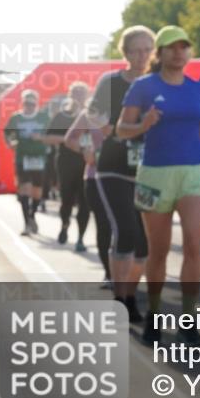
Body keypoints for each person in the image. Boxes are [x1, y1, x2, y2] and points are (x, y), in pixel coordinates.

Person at [117, 25, 200, 347]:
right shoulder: (143, 87)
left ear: (189, 52)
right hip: (155, 174)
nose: (178, 52)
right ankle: (155, 315)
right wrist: (142, 125)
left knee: (194, 243)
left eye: (184, 46)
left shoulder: (198, 89)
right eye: (171, 47)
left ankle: (188, 319)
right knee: (158, 250)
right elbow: (122, 129)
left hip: (194, 173)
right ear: (161, 52)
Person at [90, 26, 155, 321]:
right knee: (125, 230)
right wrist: (110, 131)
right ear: (125, 53)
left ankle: (129, 293)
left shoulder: (158, 82)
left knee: (145, 243)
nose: (141, 56)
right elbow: (93, 113)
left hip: (148, 169)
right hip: (114, 167)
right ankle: (120, 299)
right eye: (135, 50)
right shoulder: (112, 81)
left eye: (146, 49)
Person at [65, 100, 112, 286]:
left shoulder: (131, 107)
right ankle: (110, 273)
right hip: (95, 176)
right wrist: (85, 149)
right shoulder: (90, 113)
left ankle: (128, 269)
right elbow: (70, 139)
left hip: (128, 177)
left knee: (128, 227)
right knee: (104, 225)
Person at [41, 81, 91, 250]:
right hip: (66, 161)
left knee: (85, 201)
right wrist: (69, 140)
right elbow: (47, 138)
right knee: (67, 199)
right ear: (70, 95)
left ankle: (81, 239)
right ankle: (64, 226)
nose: (78, 96)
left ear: (87, 95)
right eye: (75, 93)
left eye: (81, 93)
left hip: (86, 162)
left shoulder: (92, 115)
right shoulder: (62, 116)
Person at [4, 89, 50, 235]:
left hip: (39, 157)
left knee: (37, 191)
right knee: (24, 188)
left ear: (36, 103)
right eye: (26, 103)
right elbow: (6, 133)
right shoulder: (16, 118)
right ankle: (26, 225)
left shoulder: (44, 117)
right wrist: (10, 143)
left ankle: (32, 216)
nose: (29, 106)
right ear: (22, 103)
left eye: (32, 103)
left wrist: (41, 138)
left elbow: (51, 134)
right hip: (22, 157)